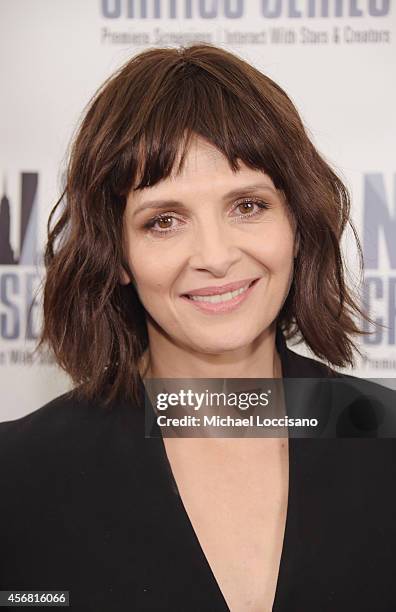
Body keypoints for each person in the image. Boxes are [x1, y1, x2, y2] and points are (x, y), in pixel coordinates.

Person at [0, 43, 395, 612]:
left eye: (248, 206)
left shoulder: (386, 444)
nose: (214, 255)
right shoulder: (16, 479)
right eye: (164, 220)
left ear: (297, 222)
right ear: (115, 253)